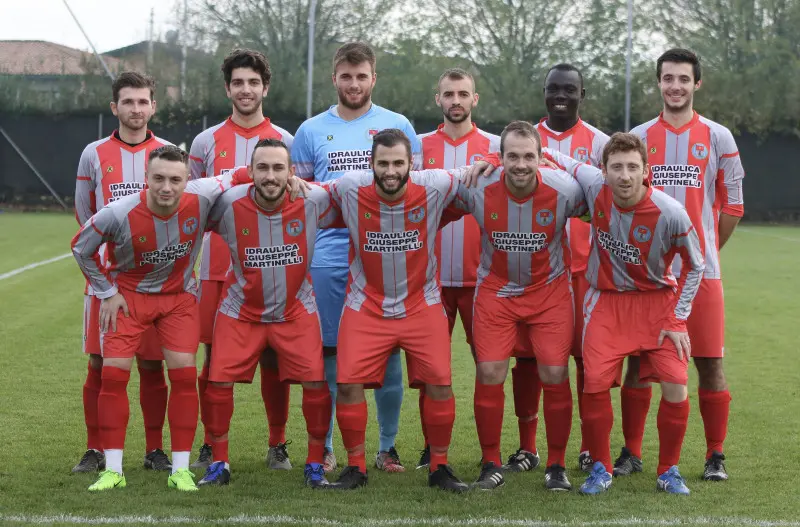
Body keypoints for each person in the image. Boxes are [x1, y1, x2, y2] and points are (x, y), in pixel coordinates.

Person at [71, 145, 239, 492]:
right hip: (129, 299)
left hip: (178, 300)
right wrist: (106, 291)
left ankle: (180, 469)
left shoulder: (203, 195)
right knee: (114, 377)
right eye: (158, 178)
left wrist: (293, 181)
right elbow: (80, 248)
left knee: (183, 376)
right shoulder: (118, 212)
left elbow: (240, 173)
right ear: (145, 179)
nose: (167, 187)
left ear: (187, 180)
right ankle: (113, 470)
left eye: (175, 180)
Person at [548, 133, 705, 495]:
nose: (624, 175)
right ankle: (601, 468)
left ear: (646, 171)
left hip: (658, 305)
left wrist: (678, 318)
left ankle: (668, 470)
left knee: (677, 385)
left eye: (633, 167)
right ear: (603, 171)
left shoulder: (670, 212)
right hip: (607, 302)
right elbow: (558, 158)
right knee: (595, 383)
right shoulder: (593, 186)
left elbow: (695, 265)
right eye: (616, 167)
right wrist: (507, 159)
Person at [291, 42, 422, 474]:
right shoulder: (310, 130)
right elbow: (301, 200)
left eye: (361, 75)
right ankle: (327, 445)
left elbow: (413, 189)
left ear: (373, 78)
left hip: (383, 257)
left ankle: (387, 448)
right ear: (334, 79)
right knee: (328, 356)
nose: (353, 83)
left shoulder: (397, 124)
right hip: (328, 258)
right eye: (346, 76)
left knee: (388, 356)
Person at [325, 129, 473, 492]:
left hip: (421, 303)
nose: (390, 171)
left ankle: (439, 466)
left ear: (412, 164)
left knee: (440, 383)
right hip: (366, 304)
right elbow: (307, 191)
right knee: (347, 384)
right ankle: (356, 467)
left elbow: (481, 172)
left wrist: (496, 161)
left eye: (397, 163)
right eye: (383, 163)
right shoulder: (348, 187)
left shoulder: (435, 184)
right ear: (370, 164)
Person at [620, 48, 745, 481]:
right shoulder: (638, 136)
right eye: (668, 78)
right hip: (650, 277)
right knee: (638, 364)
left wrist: (706, 253)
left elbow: (733, 205)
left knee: (709, 362)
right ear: (658, 83)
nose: (675, 86)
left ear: (697, 84)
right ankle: (631, 453)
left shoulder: (718, 136)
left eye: (683, 79)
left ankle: (715, 456)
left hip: (703, 276)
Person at [447, 121, 584, 491]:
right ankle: (490, 462)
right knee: (489, 372)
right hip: (496, 292)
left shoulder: (565, 190)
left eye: (528, 156)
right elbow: (430, 190)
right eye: (511, 156)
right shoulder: (477, 186)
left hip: (550, 294)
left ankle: (556, 464)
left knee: (555, 375)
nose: (520, 164)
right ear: (500, 157)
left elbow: (604, 201)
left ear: (541, 158)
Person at [195, 139, 335, 488]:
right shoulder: (227, 203)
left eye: (278, 168)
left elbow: (359, 192)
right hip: (241, 311)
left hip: (295, 310)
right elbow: (189, 199)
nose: (270, 176)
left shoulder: (313, 199)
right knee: (217, 382)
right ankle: (220, 462)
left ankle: (315, 464)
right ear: (251, 172)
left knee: (316, 384)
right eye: (262, 168)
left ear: (291, 173)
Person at [188, 48, 295, 471]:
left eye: (253, 82)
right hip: (217, 270)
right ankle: (213, 444)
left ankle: (278, 444)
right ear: (228, 88)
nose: (246, 90)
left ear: (265, 87)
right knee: (213, 361)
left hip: (274, 268)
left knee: (274, 358)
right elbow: (192, 205)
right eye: (238, 82)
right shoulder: (205, 142)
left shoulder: (287, 140)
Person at [508, 64, 611, 474]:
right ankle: (528, 446)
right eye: (554, 89)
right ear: (544, 92)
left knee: (588, 360)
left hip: (587, 270)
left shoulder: (600, 143)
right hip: (535, 272)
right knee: (530, 361)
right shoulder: (523, 140)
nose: (561, 96)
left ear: (582, 94)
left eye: (569, 90)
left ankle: (587, 446)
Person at [73, 71, 172, 474]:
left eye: (142, 101)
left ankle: (154, 450)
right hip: (105, 284)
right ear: (115, 107)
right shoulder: (93, 153)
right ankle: (95, 449)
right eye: (127, 102)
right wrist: (102, 276)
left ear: (153, 106)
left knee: (152, 366)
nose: (136, 109)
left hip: (154, 283)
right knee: (99, 364)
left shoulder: (167, 152)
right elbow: (85, 216)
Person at [415, 67, 500, 469]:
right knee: (431, 371)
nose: (456, 101)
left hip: (481, 279)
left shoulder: (497, 147)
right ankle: (430, 449)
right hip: (428, 282)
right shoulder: (417, 147)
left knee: (489, 366)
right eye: (448, 94)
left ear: (475, 99)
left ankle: (490, 455)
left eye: (463, 94)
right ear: (438, 99)